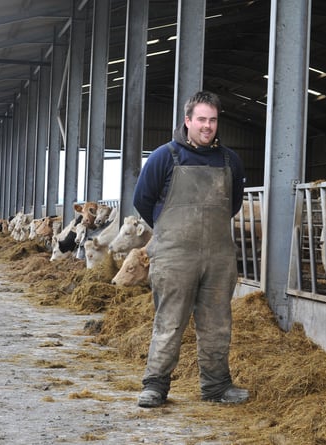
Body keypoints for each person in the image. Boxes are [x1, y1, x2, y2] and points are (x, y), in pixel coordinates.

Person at [132, 91, 249, 408]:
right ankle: (155, 385)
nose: (207, 126)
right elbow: (142, 200)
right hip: (174, 255)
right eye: (201, 119)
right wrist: (170, 232)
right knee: (169, 322)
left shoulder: (229, 160)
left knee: (217, 324)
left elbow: (233, 204)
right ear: (187, 121)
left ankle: (216, 386)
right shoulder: (164, 156)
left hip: (218, 255)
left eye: (212, 120)